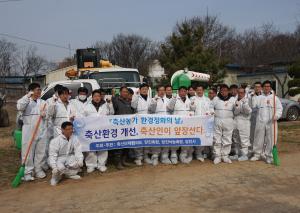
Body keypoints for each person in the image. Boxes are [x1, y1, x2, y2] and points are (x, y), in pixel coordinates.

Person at [17, 83, 48, 181]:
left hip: (41, 129)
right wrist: (27, 96)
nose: (39, 91)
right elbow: (20, 107)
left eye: (40, 90)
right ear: (31, 91)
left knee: (40, 151)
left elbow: (48, 115)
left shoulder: (43, 102)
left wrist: (45, 114)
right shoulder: (26, 101)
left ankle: (38, 169)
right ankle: (28, 172)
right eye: (37, 90)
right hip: (29, 130)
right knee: (28, 152)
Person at [250, 80, 283, 164]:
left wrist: (277, 115)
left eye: (268, 86)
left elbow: (279, 109)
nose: (266, 88)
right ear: (262, 88)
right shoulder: (259, 97)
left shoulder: (275, 98)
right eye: (265, 86)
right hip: (260, 121)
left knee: (271, 139)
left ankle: (269, 156)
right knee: (258, 138)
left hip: (271, 121)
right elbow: (253, 105)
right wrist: (253, 96)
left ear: (270, 87)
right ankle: (257, 154)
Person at [84, 89, 114, 173]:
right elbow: (82, 117)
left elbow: (112, 113)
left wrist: (110, 104)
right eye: (95, 96)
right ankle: (91, 165)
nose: (97, 98)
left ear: (101, 97)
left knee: (103, 147)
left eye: (98, 96)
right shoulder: (87, 106)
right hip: (91, 130)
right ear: (92, 97)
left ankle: (101, 164)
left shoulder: (105, 105)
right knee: (91, 148)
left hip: (102, 129)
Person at [48, 121, 83, 186]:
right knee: (60, 168)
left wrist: (80, 160)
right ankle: (55, 178)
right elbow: (52, 155)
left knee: (77, 163)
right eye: (68, 129)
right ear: (62, 130)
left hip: (69, 156)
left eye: (71, 129)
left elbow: (78, 151)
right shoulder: (55, 141)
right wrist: (54, 167)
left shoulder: (75, 138)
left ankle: (69, 175)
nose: (70, 131)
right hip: (59, 158)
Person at [167, 86, 196, 164]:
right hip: (176, 124)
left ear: (186, 92)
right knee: (175, 140)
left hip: (186, 125)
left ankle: (183, 155)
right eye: (181, 91)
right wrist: (173, 99)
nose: (183, 93)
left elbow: (193, 110)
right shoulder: (174, 99)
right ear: (178, 92)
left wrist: (193, 105)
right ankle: (173, 155)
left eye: (184, 91)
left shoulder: (189, 100)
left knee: (185, 140)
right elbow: (169, 108)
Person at [111, 86, 135, 169]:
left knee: (127, 145)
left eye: (127, 92)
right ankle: (117, 162)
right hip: (118, 127)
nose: (125, 93)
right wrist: (113, 95)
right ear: (120, 92)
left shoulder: (129, 102)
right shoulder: (115, 100)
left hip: (128, 127)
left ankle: (124, 161)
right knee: (119, 145)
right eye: (124, 92)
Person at [212, 84, 236, 164]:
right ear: (220, 91)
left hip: (228, 121)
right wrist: (211, 112)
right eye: (222, 90)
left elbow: (236, 110)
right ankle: (217, 156)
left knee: (227, 139)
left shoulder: (233, 99)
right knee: (217, 139)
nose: (224, 92)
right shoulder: (216, 98)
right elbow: (210, 107)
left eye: (225, 90)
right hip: (217, 120)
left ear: (228, 91)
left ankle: (225, 156)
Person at [148, 85, 169, 165]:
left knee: (166, 141)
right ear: (157, 91)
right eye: (160, 90)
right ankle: (155, 157)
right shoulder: (153, 99)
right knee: (157, 140)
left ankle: (164, 157)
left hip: (167, 123)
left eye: (163, 90)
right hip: (157, 123)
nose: (162, 92)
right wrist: (155, 102)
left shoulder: (168, 100)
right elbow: (151, 110)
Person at [131, 83, 151, 166]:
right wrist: (136, 95)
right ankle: (138, 158)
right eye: (143, 89)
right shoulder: (136, 98)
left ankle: (146, 156)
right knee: (139, 139)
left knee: (147, 139)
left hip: (148, 121)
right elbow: (133, 106)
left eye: (146, 89)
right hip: (139, 121)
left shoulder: (150, 99)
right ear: (140, 90)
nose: (144, 90)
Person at [193, 85, 214, 162]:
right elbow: (191, 110)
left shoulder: (207, 100)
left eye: (200, 90)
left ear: (203, 91)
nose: (199, 91)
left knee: (205, 137)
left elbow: (211, 109)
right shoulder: (193, 99)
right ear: (196, 91)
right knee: (197, 137)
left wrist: (210, 112)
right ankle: (198, 153)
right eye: (198, 90)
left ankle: (204, 152)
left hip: (205, 122)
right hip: (196, 122)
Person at [232, 87, 252, 161]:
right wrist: (238, 108)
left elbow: (248, 112)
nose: (240, 94)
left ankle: (245, 154)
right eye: (239, 92)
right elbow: (235, 112)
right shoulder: (235, 100)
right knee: (236, 139)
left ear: (244, 93)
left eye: (241, 92)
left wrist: (244, 105)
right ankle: (237, 153)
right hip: (236, 121)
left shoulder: (248, 100)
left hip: (244, 122)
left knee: (244, 139)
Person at [249, 82, 262, 151]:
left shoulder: (264, 96)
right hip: (253, 117)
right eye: (256, 87)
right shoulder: (250, 96)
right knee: (252, 134)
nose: (257, 88)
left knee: (261, 135)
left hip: (261, 117)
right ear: (254, 88)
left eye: (258, 87)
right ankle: (252, 150)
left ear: (261, 88)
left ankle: (261, 150)